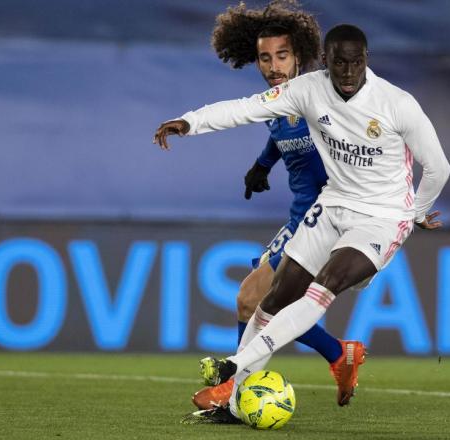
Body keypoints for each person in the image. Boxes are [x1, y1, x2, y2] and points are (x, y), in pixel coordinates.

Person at [154, 23, 450, 420]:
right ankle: (256, 390)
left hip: (380, 217)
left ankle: (233, 371)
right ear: (325, 61)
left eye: (356, 62)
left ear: (367, 60)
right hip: (331, 207)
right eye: (340, 63)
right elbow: (244, 108)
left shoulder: (397, 104)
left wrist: (414, 215)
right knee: (272, 299)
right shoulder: (306, 90)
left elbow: (438, 167)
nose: (348, 73)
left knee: (322, 285)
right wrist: (190, 123)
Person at [165, 1, 366, 416]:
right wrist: (262, 165)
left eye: (282, 55)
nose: (273, 65)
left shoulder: (324, 99)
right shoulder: (277, 102)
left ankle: (234, 395)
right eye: (264, 57)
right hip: (300, 217)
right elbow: (279, 134)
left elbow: (367, 149)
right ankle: (337, 354)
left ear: (300, 55)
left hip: (330, 219)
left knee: (253, 298)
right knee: (255, 304)